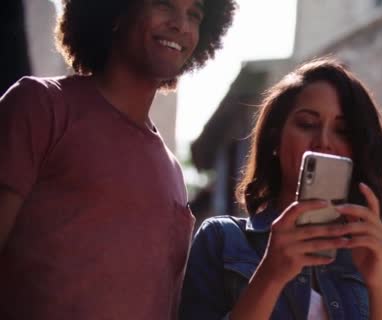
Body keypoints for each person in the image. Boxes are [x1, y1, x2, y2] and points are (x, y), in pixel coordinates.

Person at [0, 0, 236, 319]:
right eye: (165, 5)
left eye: (194, 14)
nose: (181, 24)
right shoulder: (41, 106)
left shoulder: (173, 172)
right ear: (117, 10)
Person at [179, 58, 382, 320]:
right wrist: (270, 275)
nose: (323, 142)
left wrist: (376, 284)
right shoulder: (222, 240)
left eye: (342, 131)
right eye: (307, 124)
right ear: (276, 138)